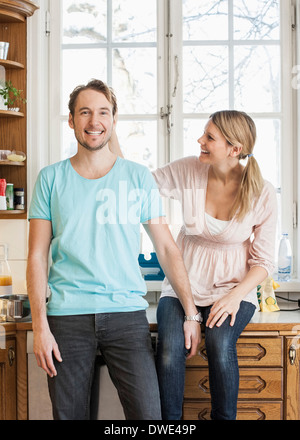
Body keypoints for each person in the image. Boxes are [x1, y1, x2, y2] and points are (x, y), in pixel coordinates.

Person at [26, 79, 200, 420]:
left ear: (114, 120)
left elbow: (165, 247)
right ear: (72, 121)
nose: (95, 121)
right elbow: (36, 255)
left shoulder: (137, 178)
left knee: (149, 416)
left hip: (125, 315)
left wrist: (192, 313)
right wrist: (40, 327)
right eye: (85, 112)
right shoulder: (50, 179)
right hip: (67, 317)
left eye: (103, 112)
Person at [109, 110, 277, 420]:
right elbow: (136, 183)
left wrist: (234, 296)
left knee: (219, 343)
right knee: (171, 350)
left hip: (232, 290)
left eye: (209, 137)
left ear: (234, 149)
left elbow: (263, 262)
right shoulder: (189, 170)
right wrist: (111, 130)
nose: (200, 140)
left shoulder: (261, 192)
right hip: (182, 284)